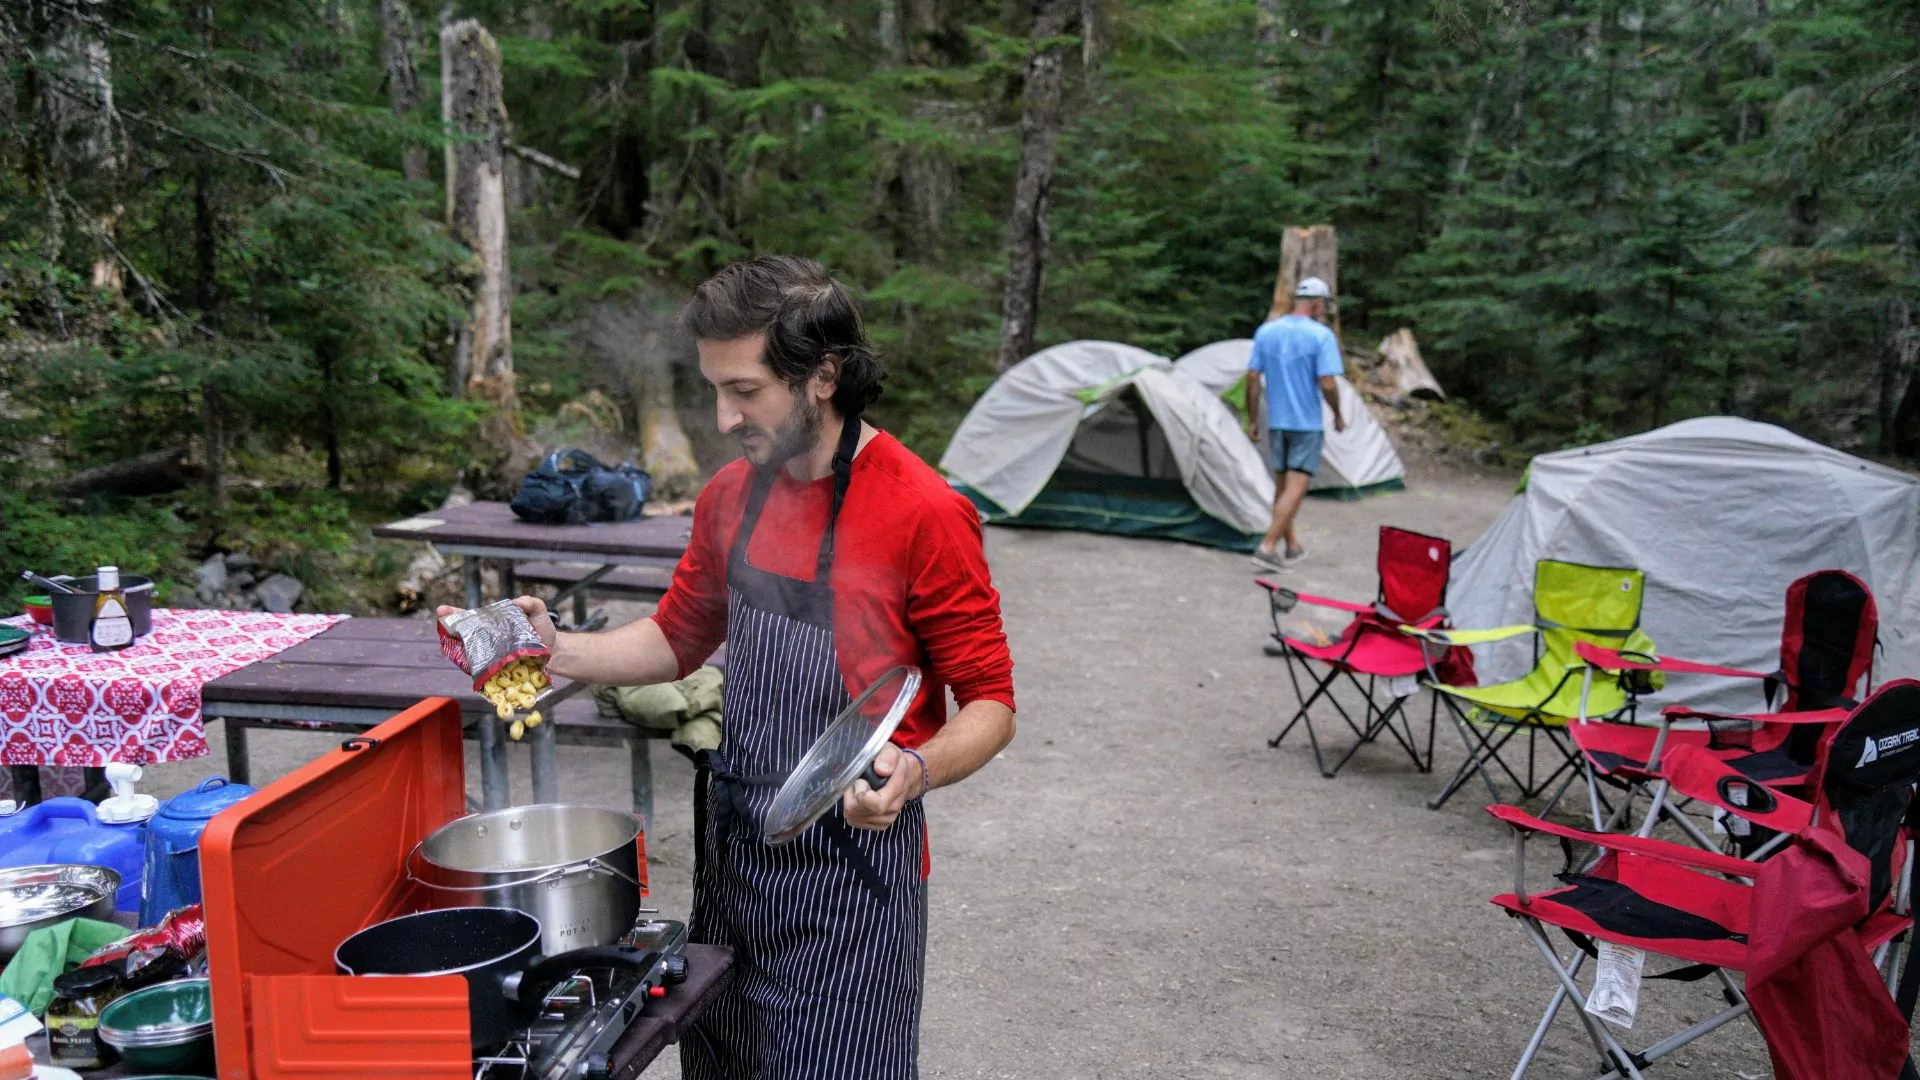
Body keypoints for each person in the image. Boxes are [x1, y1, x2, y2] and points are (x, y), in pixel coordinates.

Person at [468, 255, 1016, 1080]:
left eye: (746, 392)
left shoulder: (924, 511)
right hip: (735, 854)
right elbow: (677, 638)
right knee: (722, 1062)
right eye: (715, 389)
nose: (723, 418)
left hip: (852, 875)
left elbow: (992, 703)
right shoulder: (731, 495)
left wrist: (916, 768)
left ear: (822, 376)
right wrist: (556, 650)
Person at [1244, 275, 1346, 571]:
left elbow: (1252, 377)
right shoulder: (1321, 336)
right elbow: (1327, 381)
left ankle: (1292, 546)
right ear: (1316, 303)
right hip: (1306, 423)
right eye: (1324, 304)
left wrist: (1253, 418)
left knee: (1283, 485)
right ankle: (1267, 545)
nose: (1324, 309)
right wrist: (1337, 413)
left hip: (1278, 421)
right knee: (1297, 487)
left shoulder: (1267, 332)